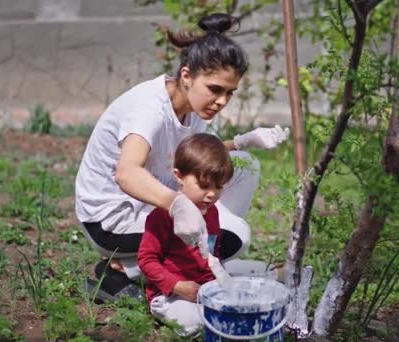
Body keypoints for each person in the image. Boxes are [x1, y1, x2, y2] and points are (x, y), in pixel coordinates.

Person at [75, 12, 289, 300]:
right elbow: (127, 173)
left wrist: (242, 142)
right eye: (215, 89)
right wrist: (177, 205)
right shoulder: (148, 109)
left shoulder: (192, 106)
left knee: (243, 166)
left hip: (150, 205)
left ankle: (199, 258)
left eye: (230, 92)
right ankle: (122, 270)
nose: (222, 101)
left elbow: (194, 157)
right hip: (113, 219)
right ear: (186, 76)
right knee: (236, 234)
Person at [138, 133, 231, 336]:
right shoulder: (162, 216)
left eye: (219, 186)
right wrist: (178, 286)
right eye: (204, 186)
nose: (212, 194)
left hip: (203, 290)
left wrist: (219, 281)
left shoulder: (212, 212)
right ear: (179, 176)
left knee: (234, 310)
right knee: (196, 322)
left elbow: (212, 252)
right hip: (169, 295)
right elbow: (146, 260)